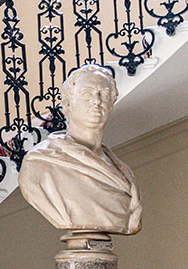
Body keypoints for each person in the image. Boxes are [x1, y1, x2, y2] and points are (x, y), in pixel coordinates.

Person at [19, 64, 142, 235]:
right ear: (69, 103)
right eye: (87, 94)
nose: (97, 101)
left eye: (104, 94)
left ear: (112, 104)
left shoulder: (124, 174)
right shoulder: (39, 163)